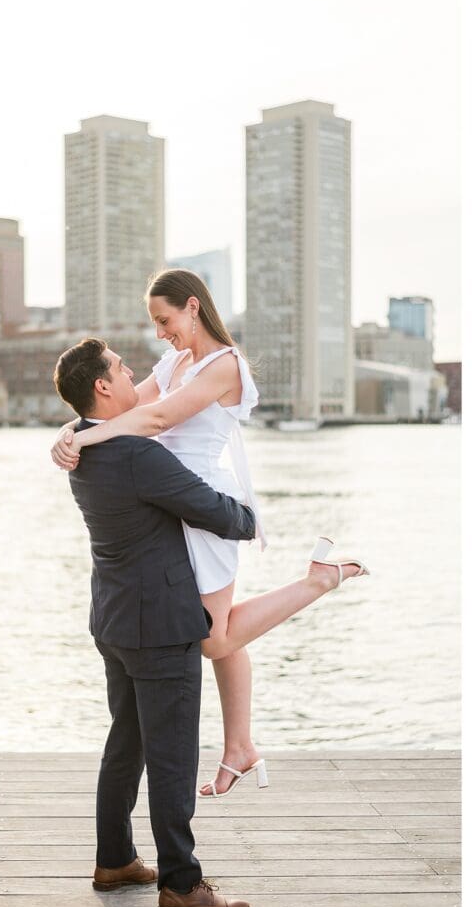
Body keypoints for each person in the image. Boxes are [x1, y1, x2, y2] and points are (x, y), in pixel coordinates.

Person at [52, 268, 368, 799]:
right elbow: (130, 406)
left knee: (212, 636)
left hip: (209, 509)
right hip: (171, 502)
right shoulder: (176, 361)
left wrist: (84, 440)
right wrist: (70, 428)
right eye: (154, 323)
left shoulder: (226, 366)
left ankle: (317, 581)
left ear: (193, 307)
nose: (160, 333)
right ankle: (240, 747)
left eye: (165, 320)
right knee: (220, 635)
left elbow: (156, 420)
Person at [53, 336, 255, 907]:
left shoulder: (81, 446)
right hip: (160, 625)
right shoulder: (136, 454)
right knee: (172, 755)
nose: (131, 370)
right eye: (121, 367)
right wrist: (248, 518)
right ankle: (181, 884)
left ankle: (114, 859)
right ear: (103, 386)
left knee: (129, 740)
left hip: (114, 619)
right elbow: (211, 509)